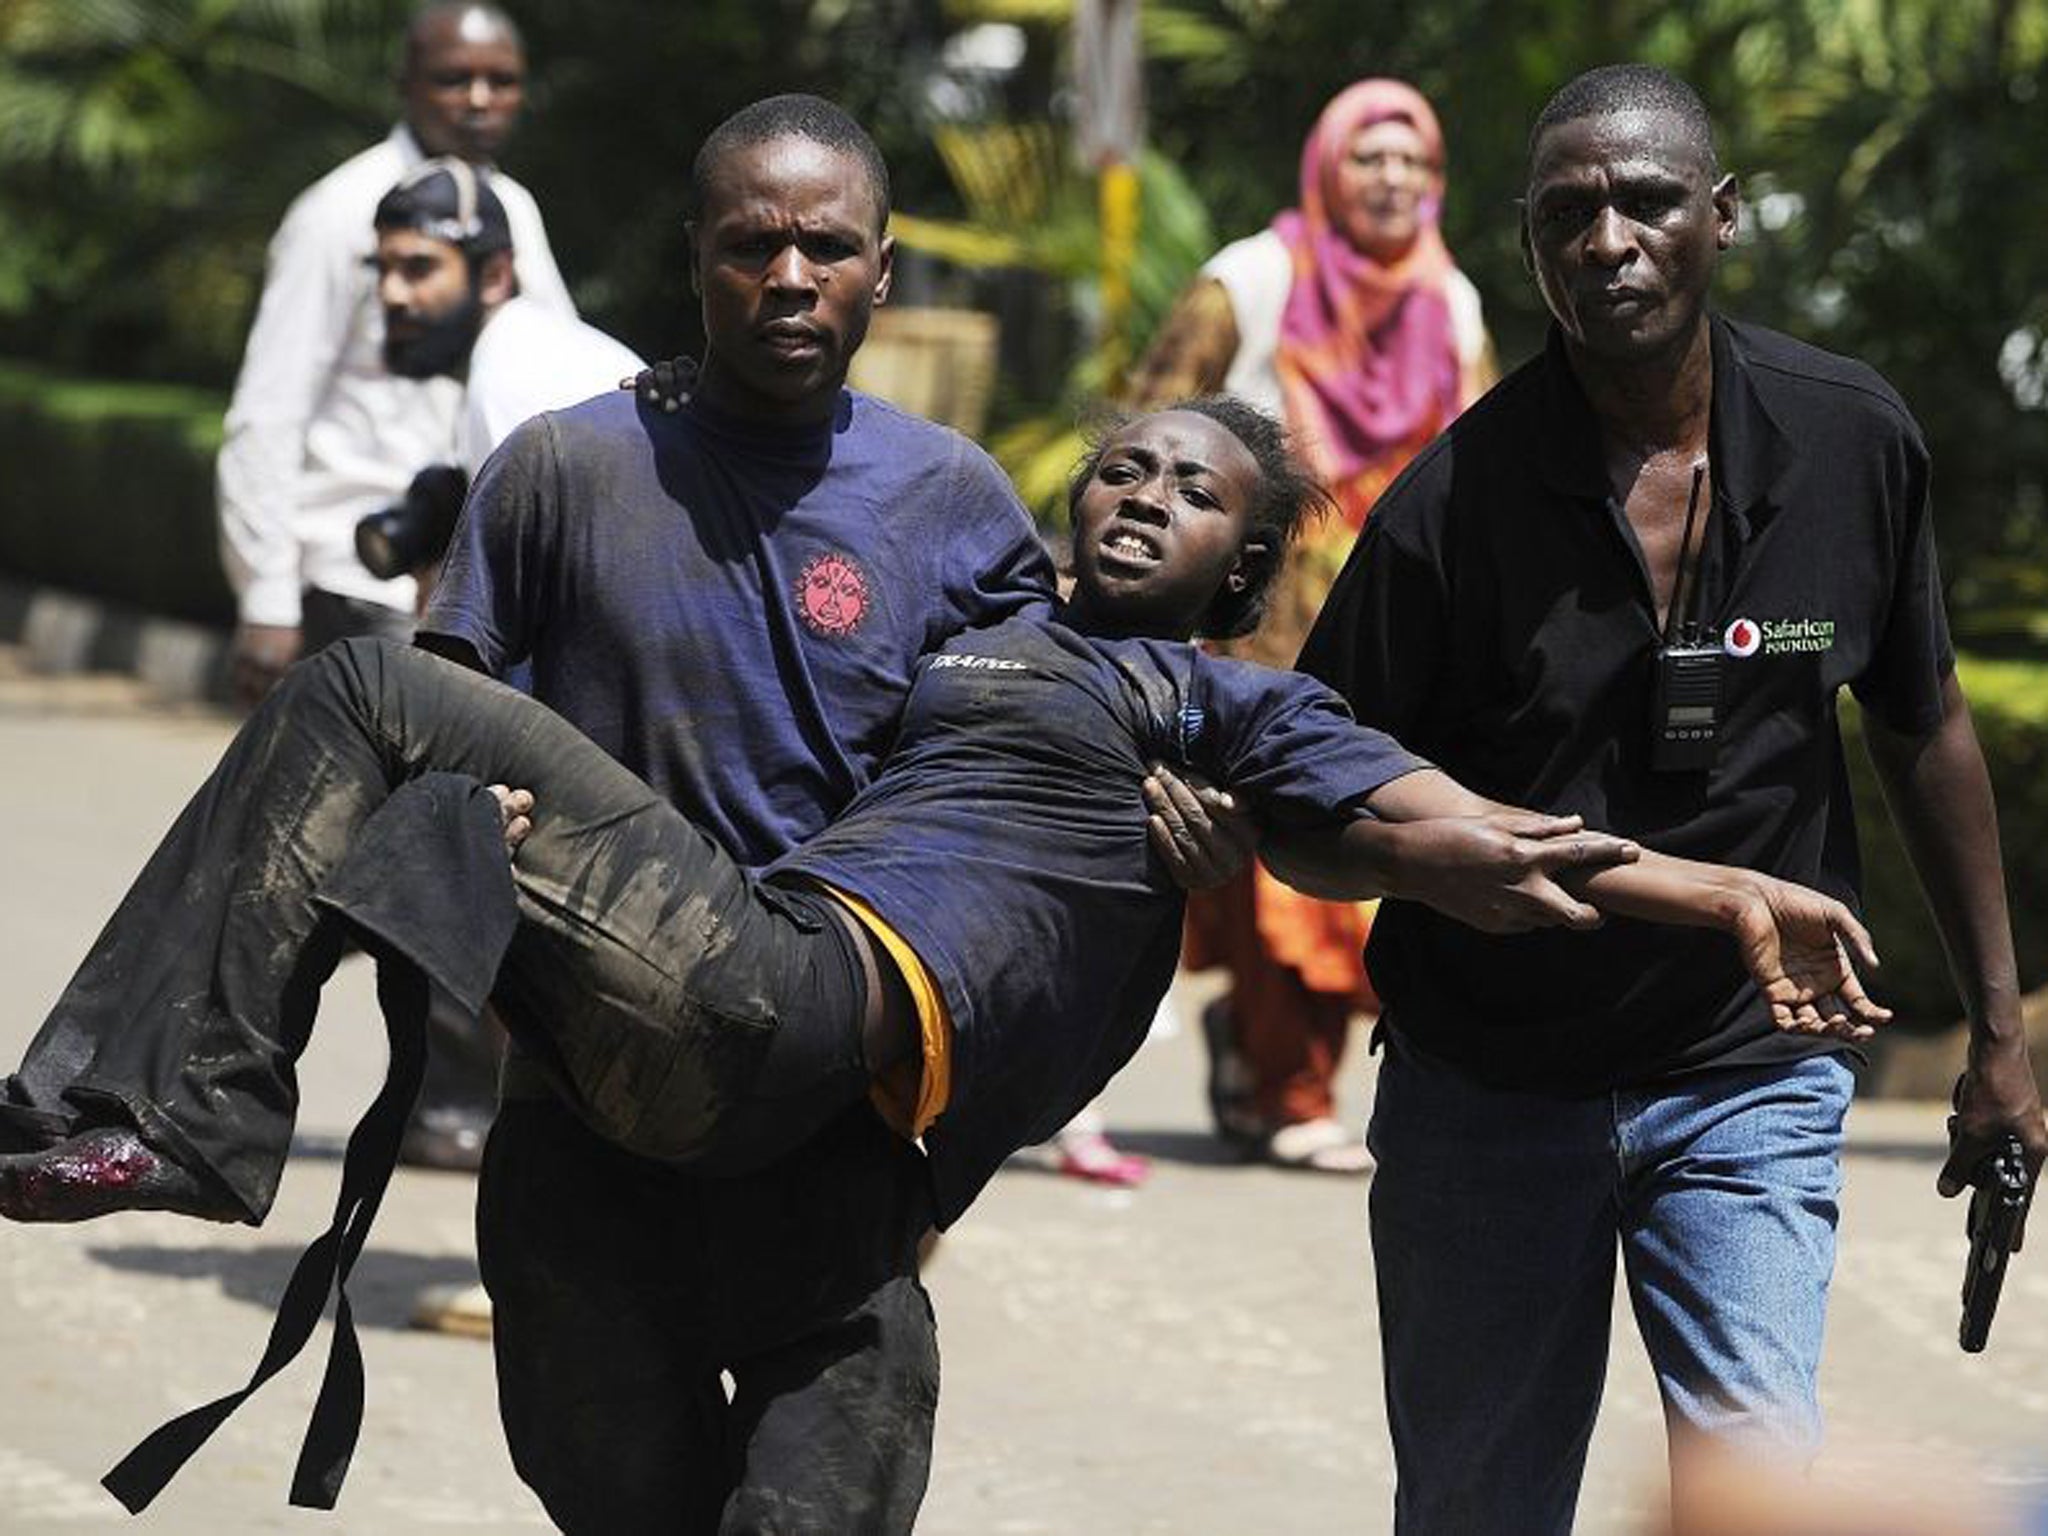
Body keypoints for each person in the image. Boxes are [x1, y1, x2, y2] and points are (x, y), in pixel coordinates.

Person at [0, 402, 1884, 1514]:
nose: (1137, 490)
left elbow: (1459, 836)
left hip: (805, 1004)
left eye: (1189, 490)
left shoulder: (1211, 703)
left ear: (1240, 571)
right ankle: (154, 1107)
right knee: (381, 723)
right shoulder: (953, 629)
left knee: (361, 689)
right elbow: (726, 639)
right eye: (1120, 464)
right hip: (706, 1005)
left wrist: (1717, 894)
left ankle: (175, 1105)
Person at [1284, 63, 2048, 1533]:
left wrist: (2002, 1038)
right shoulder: (1451, 507)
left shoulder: (1851, 442)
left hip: (1747, 1073)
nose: (1609, 241)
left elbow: (1926, 722)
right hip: (1486, 1089)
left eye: (1645, 202)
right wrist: (1438, 868)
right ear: (1527, 245)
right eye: (1568, 213)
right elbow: (1308, 807)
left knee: (1755, 1490)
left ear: (1722, 216)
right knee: (1476, 1508)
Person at [1127, 78, 1493, 1172]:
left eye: (1412, 165)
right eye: (1369, 160)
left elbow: (1479, 457)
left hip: (1391, 610)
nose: (1391, 182)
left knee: (1367, 837)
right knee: (1265, 847)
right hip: (1255, 618)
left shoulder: (1449, 299)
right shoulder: (1254, 277)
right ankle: (1285, 1082)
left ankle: (1277, 1069)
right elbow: (1153, 405)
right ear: (1326, 166)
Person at [216, 1, 571, 709]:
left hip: (464, 596)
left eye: (500, 80)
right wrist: (267, 598)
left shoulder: (514, 209)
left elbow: (556, 387)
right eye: (454, 78)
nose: (479, 98)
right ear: (406, 83)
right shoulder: (338, 212)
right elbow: (270, 407)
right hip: (356, 587)